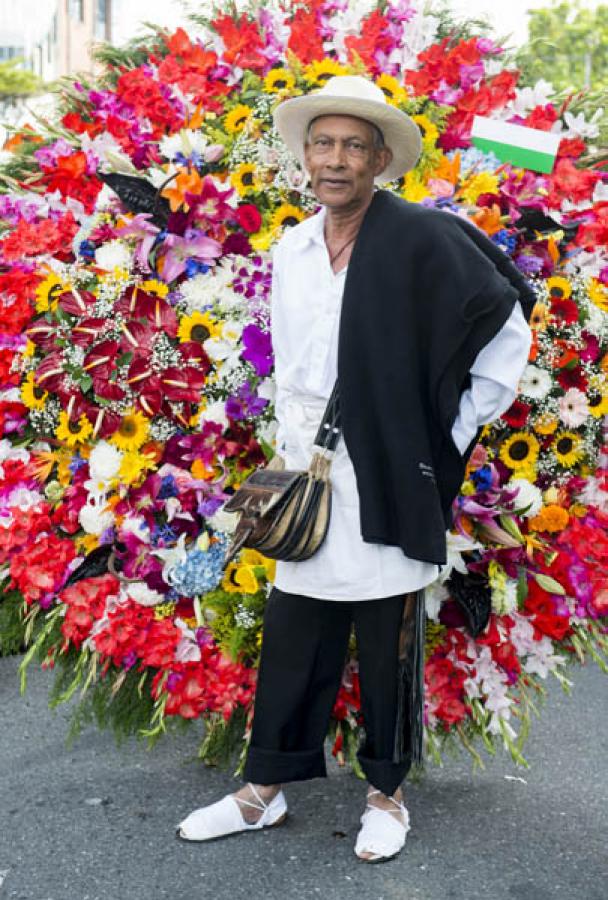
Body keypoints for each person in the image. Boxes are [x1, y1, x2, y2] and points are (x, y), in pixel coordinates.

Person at [177, 76, 532, 862]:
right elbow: (292, 363)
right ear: (306, 156)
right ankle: (261, 791)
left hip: (388, 471)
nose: (335, 160)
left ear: (379, 159)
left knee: (388, 635)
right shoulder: (294, 246)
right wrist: (286, 443)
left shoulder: (420, 237)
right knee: (294, 628)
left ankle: (387, 797)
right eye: (323, 144)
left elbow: (508, 319)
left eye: (353, 146)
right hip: (307, 468)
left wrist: (446, 431)